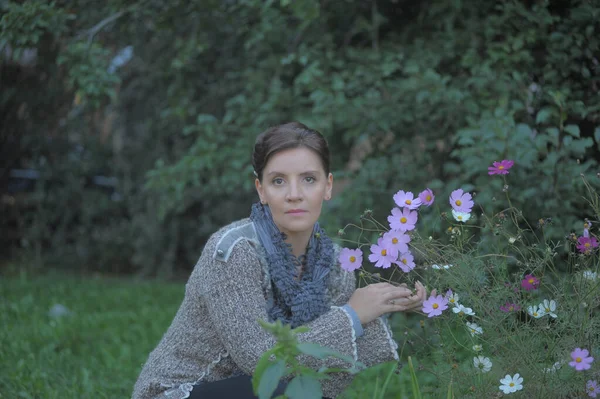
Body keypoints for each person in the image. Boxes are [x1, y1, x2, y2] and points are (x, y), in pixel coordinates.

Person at [132, 122, 428, 399]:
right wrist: (352, 315)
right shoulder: (234, 251)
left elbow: (327, 378)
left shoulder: (336, 265)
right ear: (261, 190)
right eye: (278, 181)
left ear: (328, 186)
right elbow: (260, 361)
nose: (294, 195)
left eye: (309, 179)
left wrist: (382, 307)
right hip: (179, 391)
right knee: (279, 388)